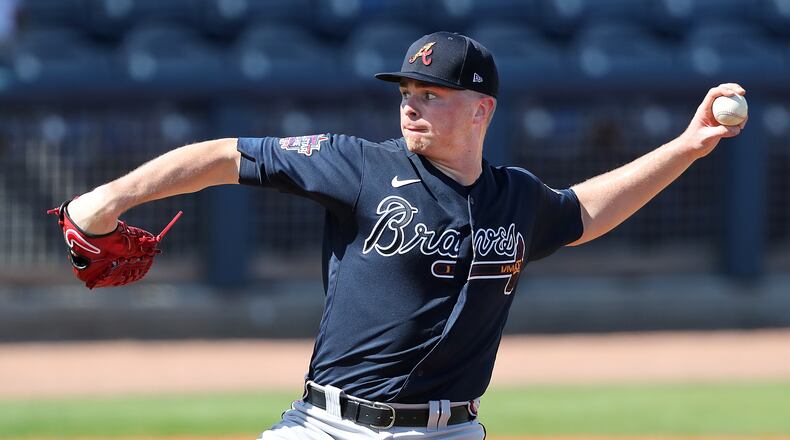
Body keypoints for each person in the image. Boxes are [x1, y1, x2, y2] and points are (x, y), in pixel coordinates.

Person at [62, 31, 746, 439]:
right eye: (406, 90)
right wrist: (108, 198)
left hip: (455, 429)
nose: (411, 102)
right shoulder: (360, 164)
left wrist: (688, 146)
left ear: (482, 110)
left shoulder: (516, 198)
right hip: (333, 427)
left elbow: (584, 212)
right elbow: (223, 156)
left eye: (431, 93)